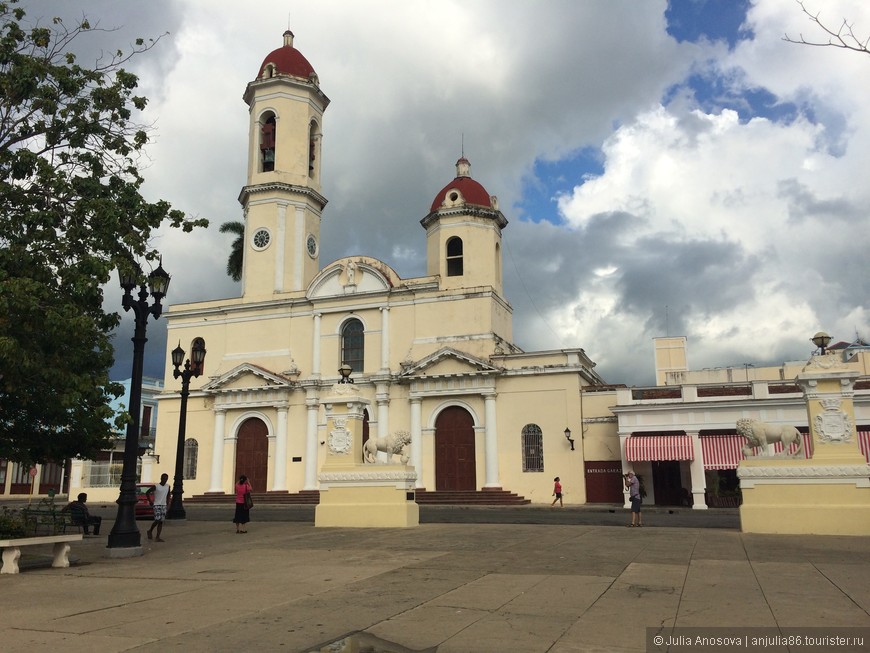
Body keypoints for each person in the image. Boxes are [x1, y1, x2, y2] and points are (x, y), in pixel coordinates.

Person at [147, 473, 171, 542]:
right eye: (164, 478)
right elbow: (147, 492)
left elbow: (168, 494)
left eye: (166, 479)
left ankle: (157, 537)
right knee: (157, 519)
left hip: (164, 505)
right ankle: (150, 530)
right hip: (157, 504)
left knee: (161, 521)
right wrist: (150, 501)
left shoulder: (168, 486)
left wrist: (168, 503)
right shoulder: (156, 486)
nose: (165, 480)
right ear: (161, 478)